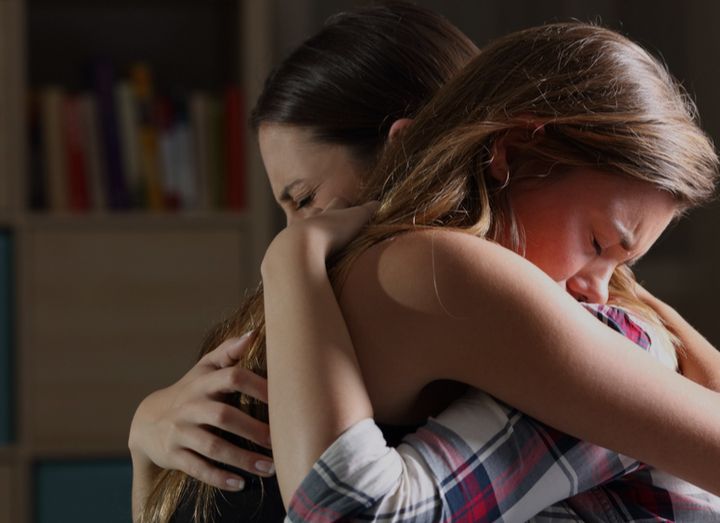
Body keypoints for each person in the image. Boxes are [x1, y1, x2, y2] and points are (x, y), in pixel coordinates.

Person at [261, 21, 720, 523]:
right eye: (596, 242)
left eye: (622, 265)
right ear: (513, 151)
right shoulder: (436, 267)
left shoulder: (397, 276)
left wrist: (290, 259)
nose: (596, 288)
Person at [129, 3, 478, 522]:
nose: (299, 228)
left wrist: (289, 261)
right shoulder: (322, 303)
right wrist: (144, 444)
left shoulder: (417, 287)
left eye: (305, 197)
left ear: (404, 152)